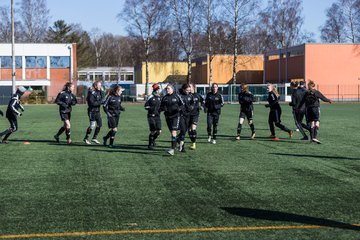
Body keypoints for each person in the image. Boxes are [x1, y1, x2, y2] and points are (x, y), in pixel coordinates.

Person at [159, 84, 184, 156]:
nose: (167, 90)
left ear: (172, 89)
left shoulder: (177, 96)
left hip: (175, 116)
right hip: (168, 117)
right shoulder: (164, 98)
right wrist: (162, 109)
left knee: (173, 132)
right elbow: (161, 107)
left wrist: (179, 109)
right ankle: (180, 143)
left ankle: (172, 149)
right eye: (166, 89)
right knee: (173, 134)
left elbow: (182, 105)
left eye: (168, 88)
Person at [144, 84, 162, 149]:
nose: (158, 90)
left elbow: (161, 106)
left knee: (159, 131)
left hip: (158, 116)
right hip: (151, 116)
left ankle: (153, 140)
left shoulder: (159, 97)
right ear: (155, 90)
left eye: (159, 89)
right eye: (157, 89)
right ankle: (150, 144)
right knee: (153, 131)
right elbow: (145, 106)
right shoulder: (150, 97)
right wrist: (152, 108)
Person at [177, 83, 194, 152]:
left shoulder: (190, 95)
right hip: (181, 115)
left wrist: (191, 107)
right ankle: (182, 146)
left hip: (188, 115)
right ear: (183, 89)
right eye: (186, 90)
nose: (188, 92)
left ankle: (178, 139)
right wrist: (180, 108)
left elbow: (193, 103)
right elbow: (177, 105)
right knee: (183, 130)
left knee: (184, 131)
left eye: (189, 90)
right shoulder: (179, 96)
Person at [188, 83, 204, 150]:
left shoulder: (197, 95)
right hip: (188, 115)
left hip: (195, 114)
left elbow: (203, 102)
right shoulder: (187, 95)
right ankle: (192, 141)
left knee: (193, 129)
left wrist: (202, 107)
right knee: (189, 130)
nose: (189, 88)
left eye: (190, 87)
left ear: (194, 87)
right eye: (188, 87)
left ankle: (194, 143)